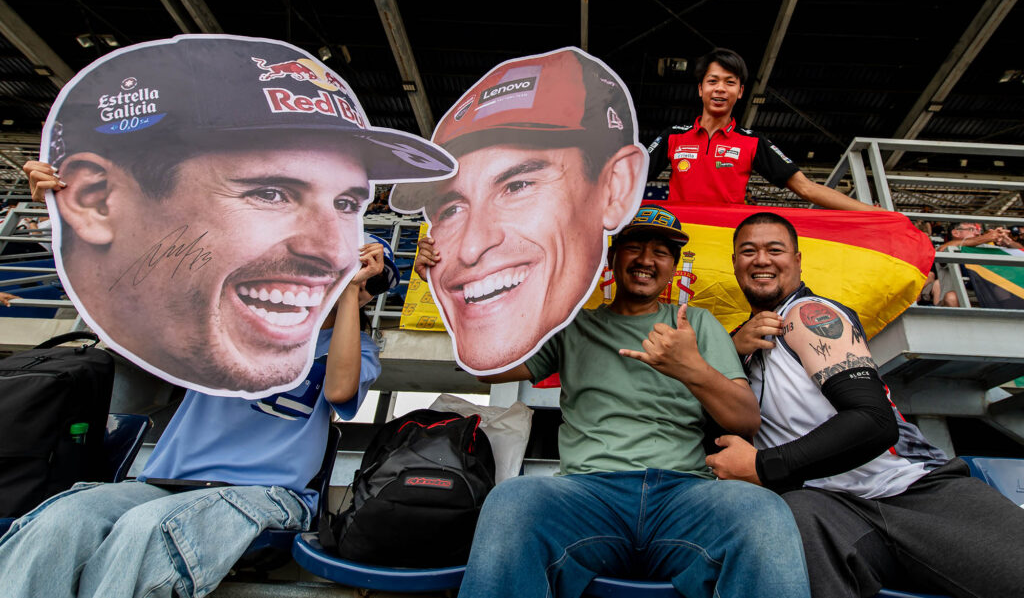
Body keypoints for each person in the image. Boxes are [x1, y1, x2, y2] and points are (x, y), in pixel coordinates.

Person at [0, 162, 393, 598]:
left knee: (148, 529)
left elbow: (340, 391)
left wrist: (351, 292)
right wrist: (69, 217)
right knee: (60, 521)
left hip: (270, 492)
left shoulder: (356, 350)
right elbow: (129, 286)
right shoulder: (223, 318)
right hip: (166, 483)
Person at [33, 34, 453, 396]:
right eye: (270, 193)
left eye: (347, 204)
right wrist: (61, 217)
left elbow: (340, 391)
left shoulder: (287, 340)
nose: (333, 254)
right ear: (96, 199)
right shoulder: (182, 341)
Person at [427, 205, 809, 598]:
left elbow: (745, 420)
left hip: (684, 496)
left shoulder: (697, 324)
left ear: (673, 268)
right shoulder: (571, 324)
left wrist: (691, 367)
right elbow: (486, 367)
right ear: (611, 257)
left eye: (661, 252)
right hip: (587, 495)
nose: (646, 260)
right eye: (634, 247)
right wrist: (446, 282)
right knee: (512, 501)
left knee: (763, 511)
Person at [710, 211, 1024, 598]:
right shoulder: (737, 346)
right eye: (748, 251)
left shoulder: (808, 314)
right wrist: (731, 348)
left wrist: (763, 466)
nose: (761, 259)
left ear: (797, 260)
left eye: (775, 250)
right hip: (822, 508)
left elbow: (873, 421)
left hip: (911, 491)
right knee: (786, 529)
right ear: (734, 263)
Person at [395, 47, 647, 374]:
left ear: (616, 187)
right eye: (451, 209)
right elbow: (493, 375)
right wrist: (433, 281)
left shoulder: (682, 333)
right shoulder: (564, 345)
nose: (470, 248)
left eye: (517, 186)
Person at [646, 48, 877, 211]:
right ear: (700, 89)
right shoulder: (673, 136)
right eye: (712, 81)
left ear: (740, 92)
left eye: (729, 82)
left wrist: (872, 212)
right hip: (677, 237)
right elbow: (632, 177)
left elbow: (806, 188)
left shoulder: (752, 142)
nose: (720, 89)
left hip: (724, 241)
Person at [936, 222, 1024, 307]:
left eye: (978, 230)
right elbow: (942, 250)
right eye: (971, 229)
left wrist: (1008, 242)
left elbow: (1021, 254)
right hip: (958, 297)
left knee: (1003, 290)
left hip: (987, 293)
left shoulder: (984, 247)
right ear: (956, 233)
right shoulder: (948, 248)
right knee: (951, 297)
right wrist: (985, 238)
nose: (978, 233)